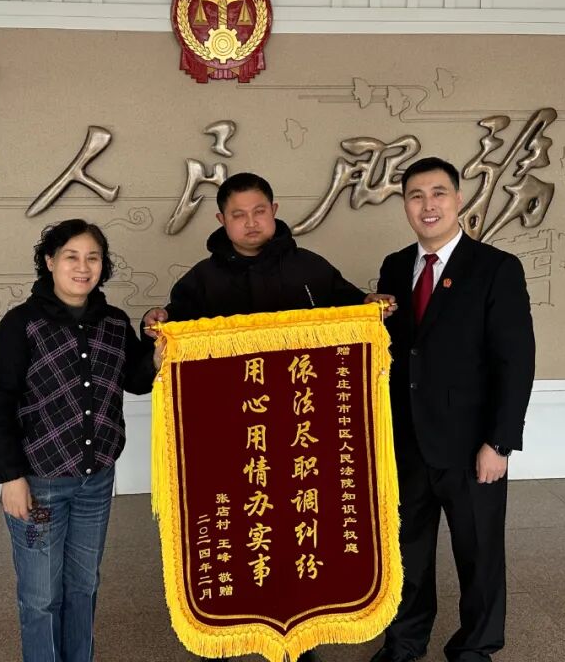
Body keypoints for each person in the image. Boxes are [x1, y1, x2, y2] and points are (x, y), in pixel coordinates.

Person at [143, 171, 395, 662]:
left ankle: (302, 638)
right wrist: (154, 324)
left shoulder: (310, 269)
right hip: (233, 441)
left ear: (275, 211)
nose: (251, 222)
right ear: (221, 220)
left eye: (259, 211)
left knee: (301, 532)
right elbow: (169, 336)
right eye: (238, 215)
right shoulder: (200, 281)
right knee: (244, 534)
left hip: (304, 435)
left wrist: (370, 307)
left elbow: (353, 312)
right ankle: (242, 630)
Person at [370, 157, 535, 662]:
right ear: (405, 205)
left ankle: (475, 647)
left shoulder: (496, 268)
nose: (428, 205)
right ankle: (404, 642)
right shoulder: (395, 266)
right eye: (416, 196)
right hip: (406, 442)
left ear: (459, 200)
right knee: (407, 554)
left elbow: (516, 361)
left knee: (478, 553)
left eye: (438, 193)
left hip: (471, 445)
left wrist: (500, 443)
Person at [0, 219, 158, 662]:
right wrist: (9, 478)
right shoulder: (22, 325)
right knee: (41, 596)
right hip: (39, 482)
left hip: (96, 482)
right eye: (71, 257)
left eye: (93, 258)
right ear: (49, 262)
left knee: (83, 586)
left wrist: (155, 353)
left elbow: (136, 381)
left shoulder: (114, 323)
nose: (83, 267)